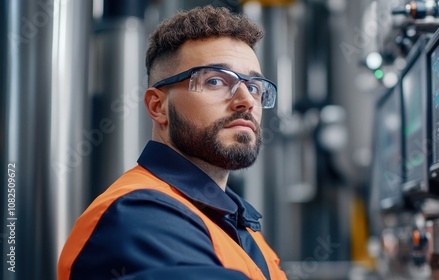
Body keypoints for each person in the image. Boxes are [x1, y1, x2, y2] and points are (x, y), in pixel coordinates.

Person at [58, 5, 287, 280]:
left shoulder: (241, 226)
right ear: (158, 106)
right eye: (215, 81)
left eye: (253, 87)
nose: (247, 101)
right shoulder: (138, 213)